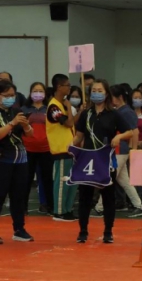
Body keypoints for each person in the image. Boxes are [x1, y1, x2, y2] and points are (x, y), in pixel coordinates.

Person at [72, 79, 135, 244]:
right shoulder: (86, 114)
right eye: (94, 90)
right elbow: (79, 135)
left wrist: (119, 136)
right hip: (87, 159)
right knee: (85, 196)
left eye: (100, 90)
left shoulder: (114, 114)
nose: (96, 93)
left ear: (106, 94)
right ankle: (83, 230)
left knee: (108, 196)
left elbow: (130, 132)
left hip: (107, 159)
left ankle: (108, 231)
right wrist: (72, 146)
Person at [0, 79, 34, 243]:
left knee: (19, 196)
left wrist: (26, 125)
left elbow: (29, 134)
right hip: (3, 159)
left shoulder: (16, 111)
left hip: (20, 159)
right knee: (0, 195)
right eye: (6, 95)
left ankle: (19, 229)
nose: (10, 98)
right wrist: (12, 124)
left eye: (13, 95)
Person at [106, 85, 142, 216]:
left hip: (121, 150)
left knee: (108, 178)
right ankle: (138, 205)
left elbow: (134, 131)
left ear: (119, 97)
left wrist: (133, 150)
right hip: (117, 150)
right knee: (124, 181)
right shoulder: (118, 111)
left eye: (111, 96)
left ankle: (100, 207)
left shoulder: (126, 112)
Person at [46, 74, 79, 222]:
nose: (69, 87)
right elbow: (68, 124)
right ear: (59, 87)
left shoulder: (62, 105)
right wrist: (68, 107)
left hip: (71, 149)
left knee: (71, 182)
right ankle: (59, 211)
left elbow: (72, 123)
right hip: (60, 149)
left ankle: (68, 209)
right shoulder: (54, 106)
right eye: (67, 85)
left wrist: (80, 112)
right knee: (61, 182)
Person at [22, 81, 54, 215]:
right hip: (28, 149)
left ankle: (49, 206)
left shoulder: (50, 109)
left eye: (41, 91)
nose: (38, 93)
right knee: (26, 180)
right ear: (30, 93)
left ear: (45, 93)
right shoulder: (24, 110)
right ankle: (22, 207)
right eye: (35, 90)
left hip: (46, 149)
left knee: (47, 179)